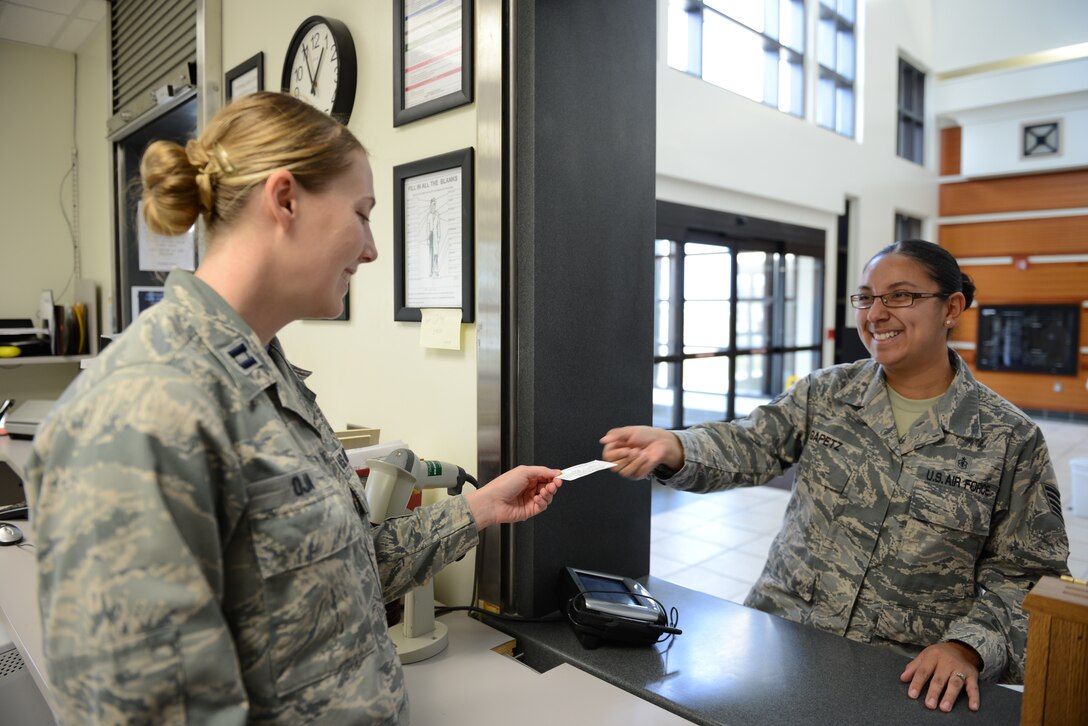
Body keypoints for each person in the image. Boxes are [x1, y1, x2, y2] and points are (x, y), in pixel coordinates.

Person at [25, 92, 563, 725]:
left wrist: (477, 509)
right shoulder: (141, 410)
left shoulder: (268, 375)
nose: (371, 250)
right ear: (284, 200)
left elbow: (334, 578)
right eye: (362, 215)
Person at [601, 239, 1069, 714]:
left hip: (900, 671)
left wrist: (967, 647)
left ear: (952, 308)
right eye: (866, 297)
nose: (877, 313)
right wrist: (676, 446)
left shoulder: (1007, 437)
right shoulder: (827, 392)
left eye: (900, 295)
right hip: (778, 638)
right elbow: (751, 443)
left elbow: (1030, 575)